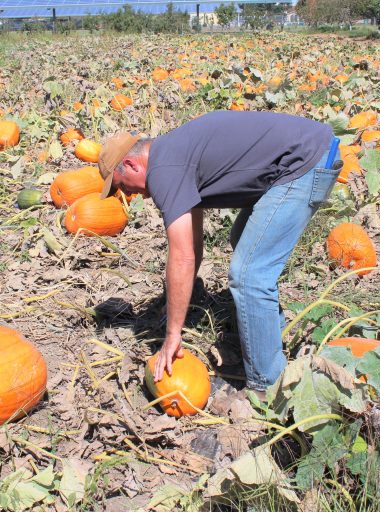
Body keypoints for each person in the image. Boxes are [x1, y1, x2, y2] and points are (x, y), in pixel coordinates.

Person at [98, 110, 342, 395]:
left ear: (131, 165)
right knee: (243, 241)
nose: (129, 195)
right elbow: (192, 246)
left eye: (121, 186)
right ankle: (269, 342)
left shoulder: (164, 169)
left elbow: (182, 257)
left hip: (305, 162)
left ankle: (269, 389)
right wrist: (176, 303)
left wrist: (173, 334)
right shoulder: (174, 154)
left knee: (250, 274)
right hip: (306, 156)